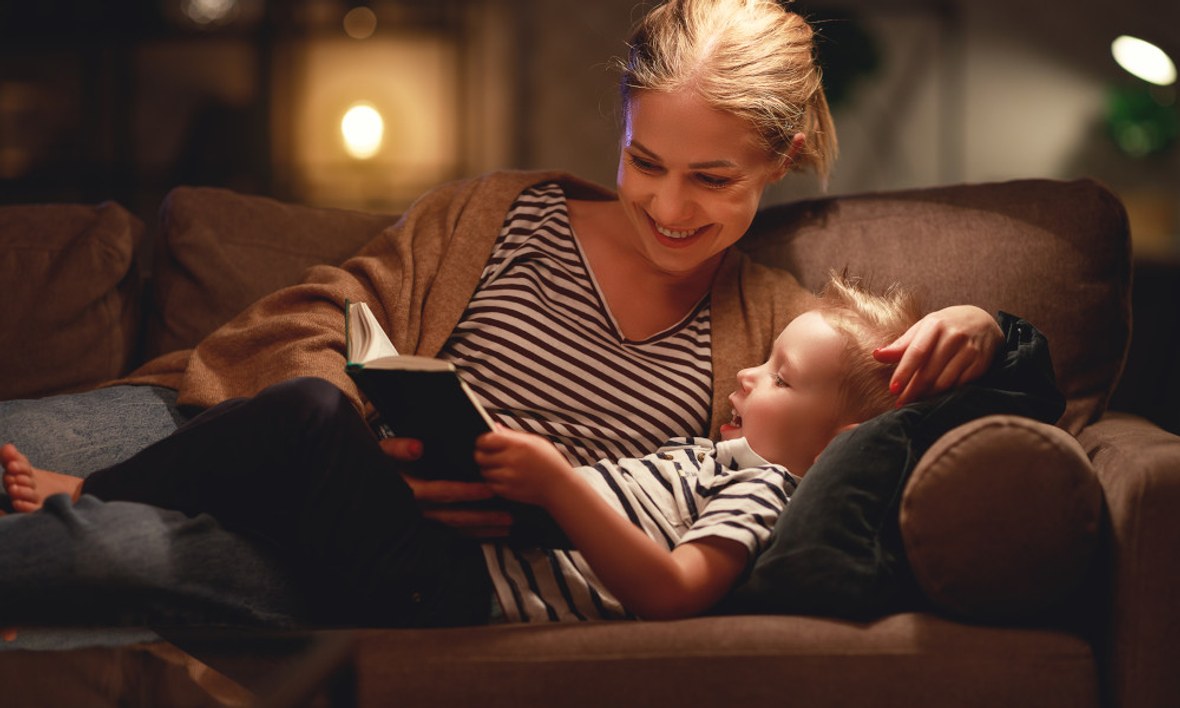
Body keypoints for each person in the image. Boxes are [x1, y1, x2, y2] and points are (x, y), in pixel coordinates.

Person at [0, 0, 1002, 628]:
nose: (666, 205)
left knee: (101, 544)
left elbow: (906, 422)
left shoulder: (779, 342)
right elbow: (327, 314)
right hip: (235, 434)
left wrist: (995, 330)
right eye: (643, 162)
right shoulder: (500, 215)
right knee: (25, 440)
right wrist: (360, 425)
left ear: (778, 163)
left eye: (711, 178)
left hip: (394, 559)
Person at [1, 273, 923, 626]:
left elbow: (674, 594)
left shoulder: (766, 492)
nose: (752, 376)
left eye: (782, 377)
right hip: (455, 547)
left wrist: (559, 485)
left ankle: (86, 488)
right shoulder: (713, 458)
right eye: (760, 361)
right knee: (312, 424)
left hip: (449, 589)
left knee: (314, 417)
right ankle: (99, 487)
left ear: (840, 441)